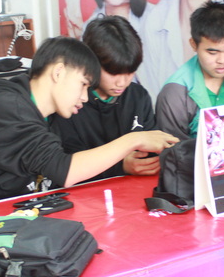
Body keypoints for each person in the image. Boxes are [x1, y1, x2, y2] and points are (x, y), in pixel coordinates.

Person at [0, 36, 177, 209]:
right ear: (58, 72)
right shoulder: (9, 109)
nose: (85, 97)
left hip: (22, 211)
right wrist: (133, 140)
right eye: (83, 84)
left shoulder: (43, 111)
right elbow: (64, 170)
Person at [51, 15, 159, 180]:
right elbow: (67, 165)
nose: (122, 82)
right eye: (113, 73)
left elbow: (151, 147)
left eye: (130, 72)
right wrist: (120, 166)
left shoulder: (138, 96)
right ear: (91, 63)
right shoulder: (70, 103)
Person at [155, 1, 224, 139]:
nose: (222, 60)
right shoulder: (175, 92)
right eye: (213, 52)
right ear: (194, 45)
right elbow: (171, 148)